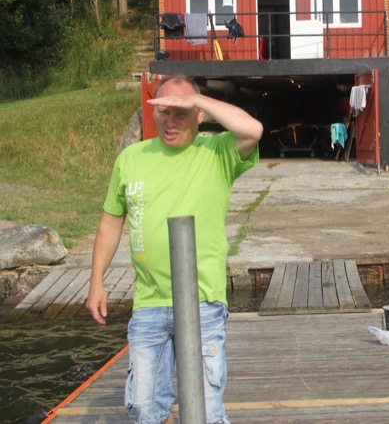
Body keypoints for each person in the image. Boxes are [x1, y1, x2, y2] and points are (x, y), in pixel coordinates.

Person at [86, 75, 263, 424]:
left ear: (198, 115)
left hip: (202, 302)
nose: (171, 121)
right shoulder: (131, 159)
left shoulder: (217, 152)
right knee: (144, 408)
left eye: (181, 112)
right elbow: (111, 221)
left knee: (206, 413)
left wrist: (196, 100)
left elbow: (253, 130)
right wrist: (96, 280)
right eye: (163, 111)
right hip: (149, 303)